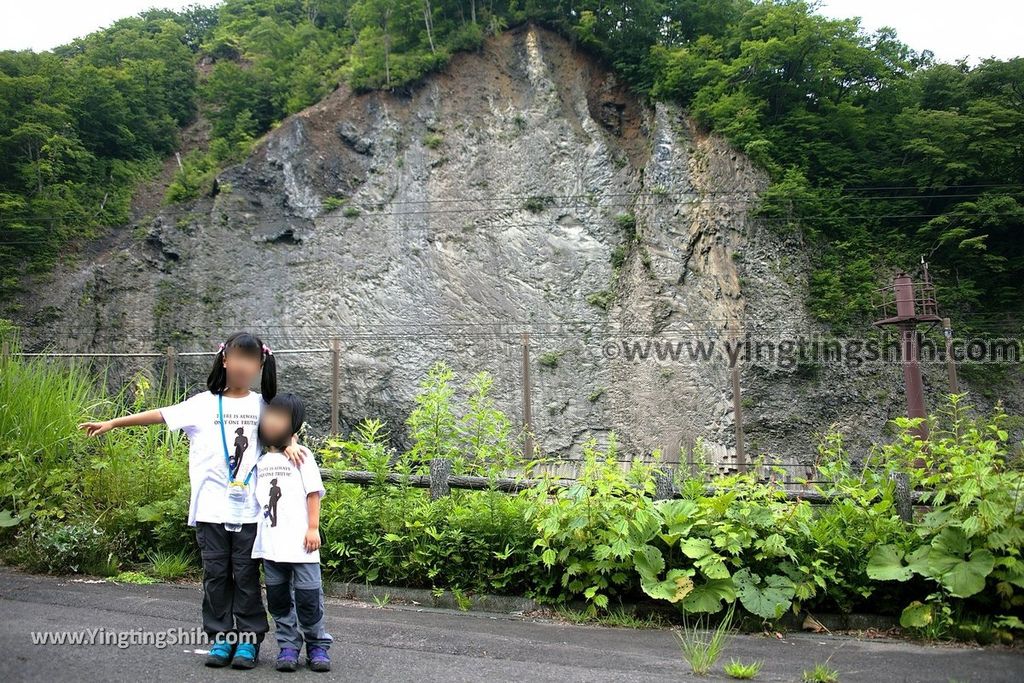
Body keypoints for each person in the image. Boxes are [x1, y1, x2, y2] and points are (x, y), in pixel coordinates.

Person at [79, 332, 304, 669]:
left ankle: (248, 642)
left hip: (250, 513)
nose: (242, 365)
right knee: (215, 577)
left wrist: (291, 443)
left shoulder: (261, 405)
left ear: (260, 364)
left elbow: (280, 430)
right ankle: (221, 639)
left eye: (250, 359)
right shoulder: (203, 403)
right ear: (225, 359)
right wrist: (113, 422)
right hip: (211, 510)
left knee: (245, 578)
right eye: (237, 357)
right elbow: (160, 414)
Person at [252, 393, 332, 672]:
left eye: (282, 418)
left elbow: (313, 492)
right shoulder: (257, 461)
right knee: (279, 600)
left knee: (309, 599)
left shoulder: (301, 456)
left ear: (293, 427)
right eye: (271, 415)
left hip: (302, 547)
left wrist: (313, 527)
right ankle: (288, 645)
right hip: (271, 547)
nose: (273, 421)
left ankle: (317, 645)